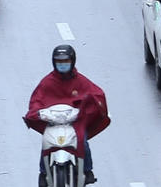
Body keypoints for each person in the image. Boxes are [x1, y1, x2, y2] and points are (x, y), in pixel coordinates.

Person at [23, 45, 110, 186]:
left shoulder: (80, 81)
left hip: (75, 122)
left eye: (66, 62)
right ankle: (43, 172)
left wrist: (88, 106)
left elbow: (96, 93)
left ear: (73, 61)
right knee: (46, 142)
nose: (62, 65)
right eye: (59, 62)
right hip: (53, 122)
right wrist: (36, 113)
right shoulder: (47, 82)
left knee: (83, 141)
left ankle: (87, 170)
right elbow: (37, 100)